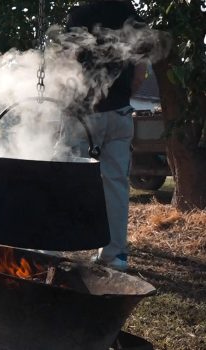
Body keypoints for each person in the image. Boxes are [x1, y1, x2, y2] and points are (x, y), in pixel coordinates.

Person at [58, 1, 148, 271]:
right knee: (116, 185)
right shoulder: (131, 15)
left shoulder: (80, 14)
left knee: (61, 176)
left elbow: (66, 68)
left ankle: (51, 244)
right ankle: (114, 255)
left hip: (83, 116)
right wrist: (120, 97)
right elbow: (141, 71)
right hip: (120, 115)